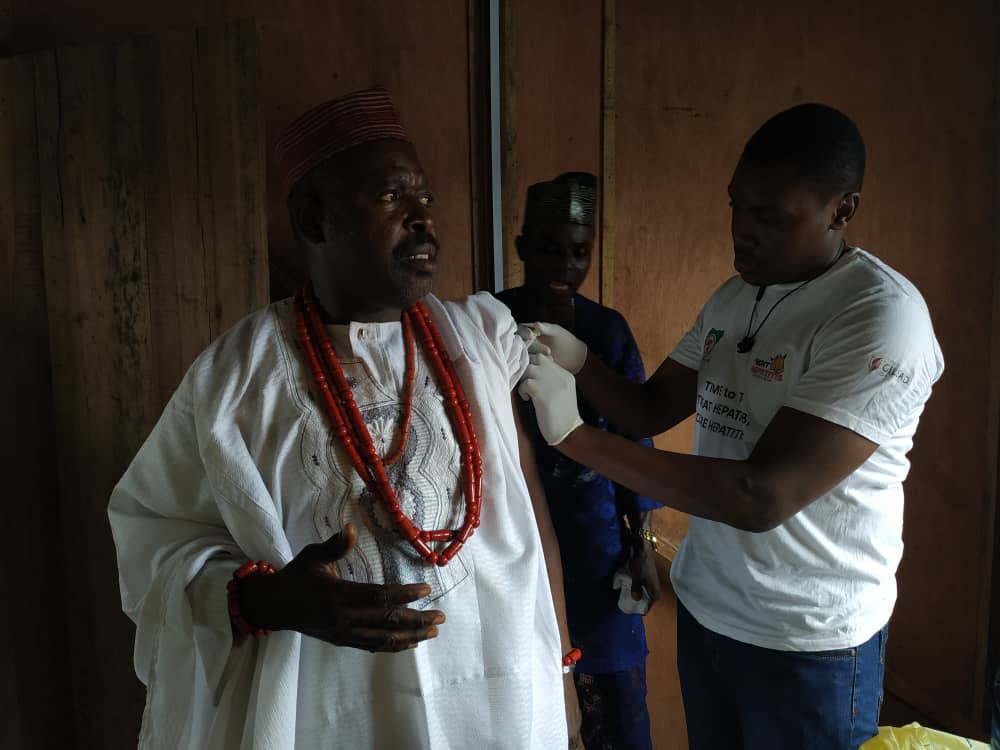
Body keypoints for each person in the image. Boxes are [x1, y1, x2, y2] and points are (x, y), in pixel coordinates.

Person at [108, 87, 581, 749]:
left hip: (502, 702)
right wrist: (268, 601)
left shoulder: (477, 340)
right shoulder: (237, 381)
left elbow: (532, 521)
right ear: (313, 219)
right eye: (392, 197)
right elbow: (152, 545)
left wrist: (562, 674)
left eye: (426, 198)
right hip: (333, 717)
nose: (423, 220)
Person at [517, 103, 944, 750]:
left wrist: (575, 436)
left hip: (806, 641)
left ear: (843, 210)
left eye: (770, 216)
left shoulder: (878, 318)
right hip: (710, 612)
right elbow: (648, 407)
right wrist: (577, 359)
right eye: (736, 208)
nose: (743, 232)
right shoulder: (736, 295)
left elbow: (760, 494)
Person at [496, 172, 659, 750]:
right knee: (528, 691)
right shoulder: (491, 320)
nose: (564, 265)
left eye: (579, 252)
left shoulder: (605, 331)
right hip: (515, 537)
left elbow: (635, 439)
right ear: (521, 249)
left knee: (617, 702)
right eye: (548, 249)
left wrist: (641, 544)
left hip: (595, 541)